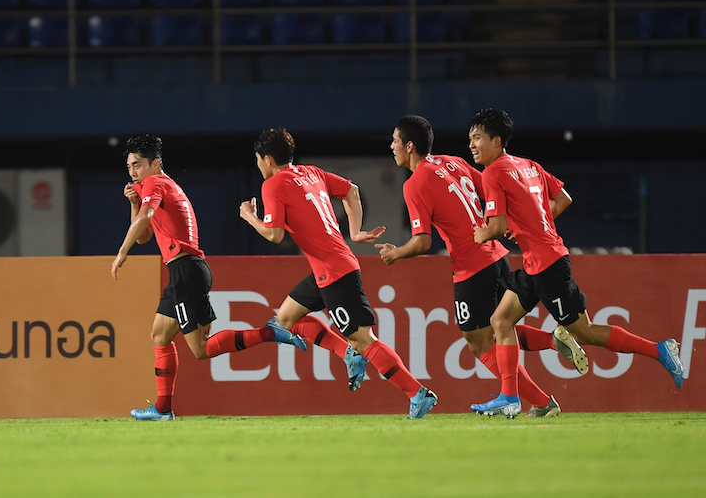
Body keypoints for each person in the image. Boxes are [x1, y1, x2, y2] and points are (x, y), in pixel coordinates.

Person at [467, 108, 686, 418]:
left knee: (586, 332)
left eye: (477, 138)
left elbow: (497, 226)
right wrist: (532, 227)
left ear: (496, 141)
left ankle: (660, 350)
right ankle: (509, 397)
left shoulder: (492, 173)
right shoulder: (529, 165)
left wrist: (482, 234)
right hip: (538, 261)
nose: (472, 145)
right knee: (500, 321)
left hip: (546, 265)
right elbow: (563, 199)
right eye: (470, 139)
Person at [374, 115, 587, 418]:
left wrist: (396, 253)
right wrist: (509, 224)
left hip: (471, 267)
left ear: (409, 146)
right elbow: (490, 191)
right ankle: (550, 350)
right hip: (497, 256)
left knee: (479, 342)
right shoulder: (453, 162)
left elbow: (422, 242)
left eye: (395, 140)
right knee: (501, 327)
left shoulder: (414, 184)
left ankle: (538, 399)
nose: (391, 146)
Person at [239, 128, 438, 419]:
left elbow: (274, 234)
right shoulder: (311, 172)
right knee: (286, 319)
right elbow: (351, 191)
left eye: (258, 159)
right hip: (330, 268)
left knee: (364, 340)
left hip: (334, 272)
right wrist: (354, 231)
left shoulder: (272, 185)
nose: (259, 165)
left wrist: (249, 217)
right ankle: (347, 352)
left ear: (267, 159)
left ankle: (417, 392)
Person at [111, 134, 307, 421]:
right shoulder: (159, 186)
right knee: (160, 335)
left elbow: (144, 221)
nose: (132, 172)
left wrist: (121, 252)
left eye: (138, 165)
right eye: (129, 166)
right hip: (184, 271)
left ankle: (270, 332)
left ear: (155, 164)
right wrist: (133, 203)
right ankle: (163, 409)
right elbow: (144, 236)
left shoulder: (155, 183)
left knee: (200, 349)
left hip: (185, 271)